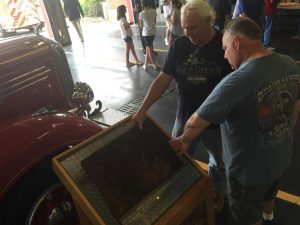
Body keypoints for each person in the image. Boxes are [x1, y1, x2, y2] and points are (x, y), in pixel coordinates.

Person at [170, 17, 300, 225]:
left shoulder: (236, 81)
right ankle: (269, 216)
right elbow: (295, 106)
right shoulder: (289, 63)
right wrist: (282, 133)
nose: (224, 54)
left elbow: (195, 121)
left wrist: (185, 140)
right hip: (281, 154)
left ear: (237, 43)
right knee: (270, 190)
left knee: (247, 215)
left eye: (225, 48)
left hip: (246, 173)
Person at [133, 0, 232, 212]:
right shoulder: (180, 45)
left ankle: (217, 195)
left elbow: (239, 83)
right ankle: (179, 198)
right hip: (185, 118)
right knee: (177, 160)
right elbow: (162, 80)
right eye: (185, 27)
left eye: (193, 27)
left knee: (218, 164)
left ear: (209, 22)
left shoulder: (224, 44)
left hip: (217, 123)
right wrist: (142, 109)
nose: (187, 33)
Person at [139, 0, 160, 70]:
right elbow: (154, 21)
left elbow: (141, 26)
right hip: (153, 32)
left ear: (143, 5)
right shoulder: (154, 11)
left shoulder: (142, 13)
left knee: (149, 49)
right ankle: (145, 64)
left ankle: (154, 64)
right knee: (148, 48)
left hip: (146, 34)